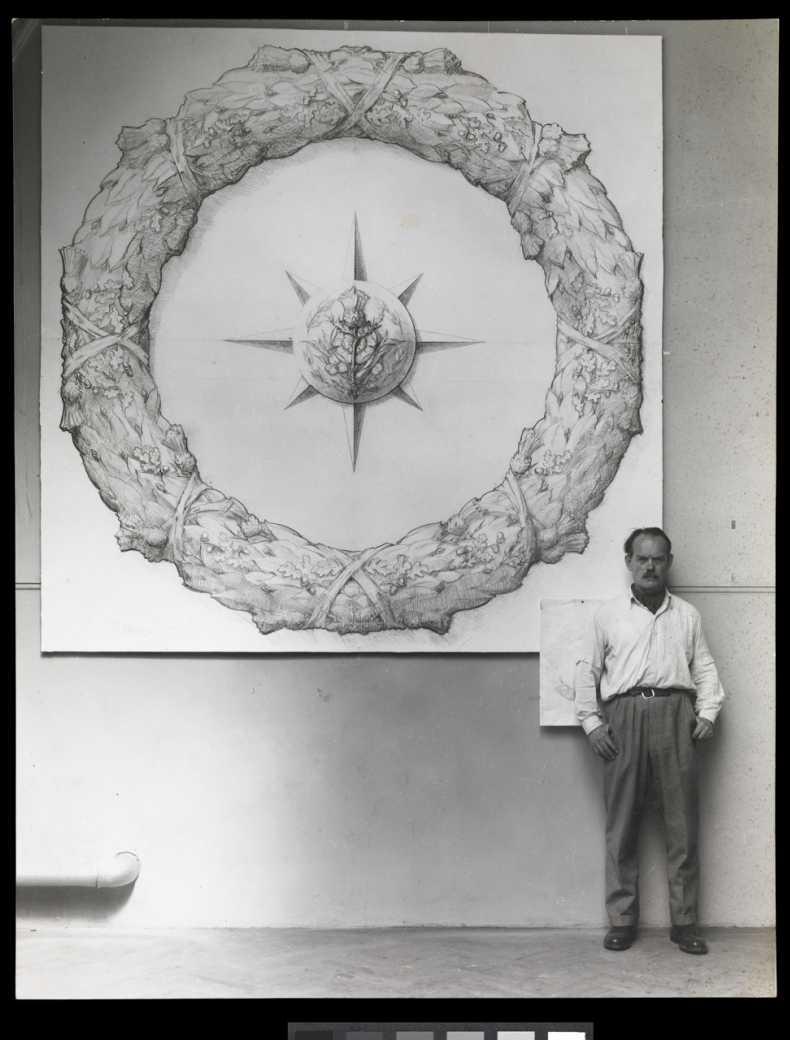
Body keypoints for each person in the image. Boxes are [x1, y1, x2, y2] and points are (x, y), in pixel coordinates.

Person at [574, 527, 725, 955]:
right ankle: (622, 920)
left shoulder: (688, 616)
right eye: (642, 558)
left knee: (682, 825)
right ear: (629, 562)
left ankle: (685, 922)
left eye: (658, 558)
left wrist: (708, 713)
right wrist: (593, 723)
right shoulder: (607, 615)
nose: (650, 566)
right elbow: (586, 670)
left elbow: (706, 669)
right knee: (621, 825)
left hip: (677, 716)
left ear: (669, 563)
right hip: (623, 718)